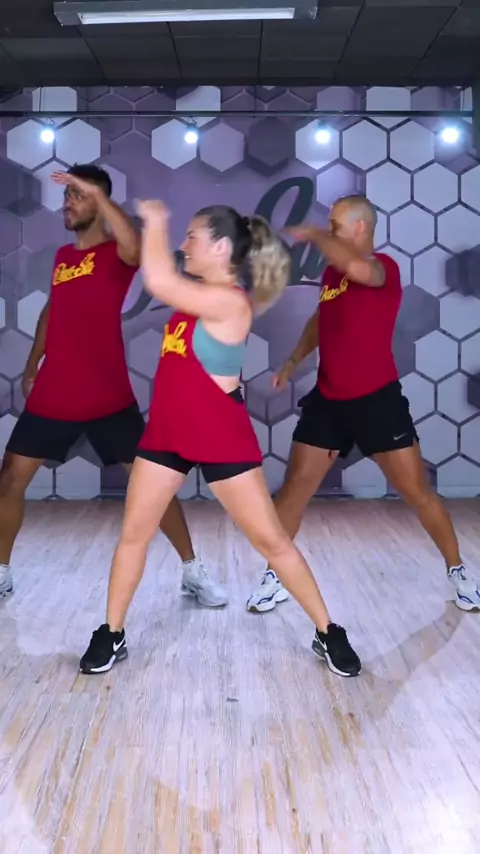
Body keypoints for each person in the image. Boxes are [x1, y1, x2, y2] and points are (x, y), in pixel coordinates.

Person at [79, 201, 362, 678]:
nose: (184, 244)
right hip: (166, 435)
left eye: (192, 236)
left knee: (272, 542)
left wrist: (158, 221)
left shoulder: (231, 302)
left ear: (221, 247)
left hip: (219, 437)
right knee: (133, 535)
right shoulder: (196, 297)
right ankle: (111, 632)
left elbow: (158, 281)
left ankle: (328, 631)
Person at [0, 164, 227, 609]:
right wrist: (32, 363)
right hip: (54, 393)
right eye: (67, 197)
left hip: (107, 396)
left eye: (77, 196)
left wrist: (98, 195)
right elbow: (53, 309)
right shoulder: (64, 257)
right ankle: (2, 573)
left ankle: (192, 571)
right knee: (9, 481)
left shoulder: (117, 253)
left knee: (152, 487)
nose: (68, 203)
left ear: (100, 202)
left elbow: (136, 248)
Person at [247, 194, 480, 615]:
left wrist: (314, 234)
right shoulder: (332, 275)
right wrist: (294, 360)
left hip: (377, 402)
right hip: (328, 400)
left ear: (360, 227)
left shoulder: (383, 268)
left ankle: (458, 571)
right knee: (294, 491)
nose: (329, 230)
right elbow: (320, 319)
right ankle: (275, 574)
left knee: (417, 493)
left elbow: (359, 270)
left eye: (335, 225)